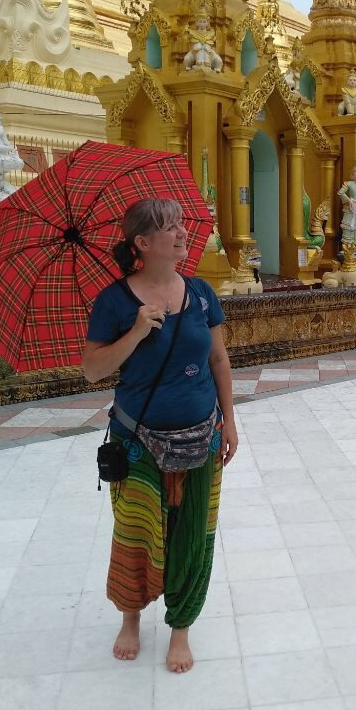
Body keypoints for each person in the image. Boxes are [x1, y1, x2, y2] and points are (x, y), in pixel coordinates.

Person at [82, 197, 238, 672]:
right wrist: (134, 332)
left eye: (181, 225)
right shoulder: (114, 301)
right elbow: (92, 370)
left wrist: (229, 420)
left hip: (202, 435)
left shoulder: (202, 293)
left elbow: (218, 360)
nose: (182, 233)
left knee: (193, 533)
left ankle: (181, 629)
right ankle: (130, 618)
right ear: (143, 243)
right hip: (136, 440)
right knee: (136, 532)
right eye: (170, 227)